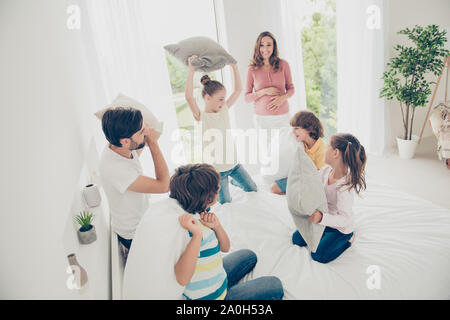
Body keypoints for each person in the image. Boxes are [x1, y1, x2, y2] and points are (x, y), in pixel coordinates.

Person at [170, 163, 284, 300]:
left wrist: (216, 226)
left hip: (218, 276)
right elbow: (182, 279)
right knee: (274, 285)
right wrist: (197, 235)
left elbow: (225, 247)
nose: (220, 187)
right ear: (209, 199)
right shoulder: (191, 231)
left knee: (249, 255)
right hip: (216, 297)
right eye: (217, 188)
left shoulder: (201, 215)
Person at [185, 55, 257, 204]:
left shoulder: (223, 110)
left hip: (234, 165)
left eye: (224, 98)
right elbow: (189, 97)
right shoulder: (201, 117)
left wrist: (234, 66)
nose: (223, 102)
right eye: (220, 99)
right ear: (207, 98)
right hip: (218, 172)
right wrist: (191, 69)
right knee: (226, 203)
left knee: (253, 189)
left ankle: (235, 183)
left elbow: (238, 90)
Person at [99, 107, 170, 251]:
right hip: (134, 234)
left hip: (142, 220)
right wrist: (153, 143)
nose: (146, 132)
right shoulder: (116, 169)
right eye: (141, 132)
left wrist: (143, 135)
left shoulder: (117, 145)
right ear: (125, 141)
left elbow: (135, 151)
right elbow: (164, 186)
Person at [292, 133, 367, 264]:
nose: (324, 150)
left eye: (327, 147)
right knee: (297, 239)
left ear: (335, 153)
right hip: (325, 219)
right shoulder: (326, 171)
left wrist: (321, 218)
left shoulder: (344, 187)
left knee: (318, 255)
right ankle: (323, 235)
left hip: (340, 229)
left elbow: (344, 219)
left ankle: (349, 240)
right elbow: (314, 186)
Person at [245, 31, 295, 130]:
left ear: (273, 47)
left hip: (282, 117)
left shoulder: (283, 64)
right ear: (258, 47)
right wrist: (264, 91)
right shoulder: (251, 69)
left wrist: (282, 98)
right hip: (262, 119)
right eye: (262, 45)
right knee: (266, 146)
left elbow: (291, 89)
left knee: (284, 145)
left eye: (269, 45)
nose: (265, 49)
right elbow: (247, 98)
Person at [271, 110, 327, 195]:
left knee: (275, 188)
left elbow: (322, 176)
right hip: (300, 176)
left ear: (309, 129)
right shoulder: (301, 143)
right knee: (274, 187)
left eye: (296, 128)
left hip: (310, 180)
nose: (293, 132)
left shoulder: (321, 149)